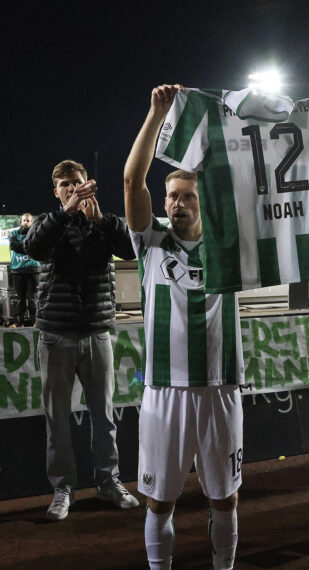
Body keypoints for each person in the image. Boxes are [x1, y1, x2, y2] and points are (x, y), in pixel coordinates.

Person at [124, 84, 245, 570]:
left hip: (220, 388)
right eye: (172, 196)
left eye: (187, 196)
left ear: (202, 200)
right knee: (159, 501)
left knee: (225, 499)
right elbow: (132, 181)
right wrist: (155, 116)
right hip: (164, 391)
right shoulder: (151, 243)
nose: (178, 203)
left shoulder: (228, 242)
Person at [24, 160, 139, 521]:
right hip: (55, 334)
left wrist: (99, 219)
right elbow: (34, 248)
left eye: (77, 182)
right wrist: (66, 214)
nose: (72, 189)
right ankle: (62, 489)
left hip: (96, 332)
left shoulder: (104, 223)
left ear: (89, 184)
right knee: (57, 419)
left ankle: (109, 482)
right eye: (65, 185)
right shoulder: (47, 221)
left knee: (103, 416)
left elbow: (130, 249)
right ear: (55, 191)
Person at [7, 213, 40, 326]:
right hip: (18, 271)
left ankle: (35, 322)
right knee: (19, 299)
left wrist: (22, 246)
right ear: (21, 221)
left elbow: (22, 247)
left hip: (33, 271)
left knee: (33, 299)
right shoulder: (14, 233)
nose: (25, 222)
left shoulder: (35, 234)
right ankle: (18, 323)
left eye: (28, 220)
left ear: (31, 222)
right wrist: (28, 247)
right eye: (24, 220)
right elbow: (14, 246)